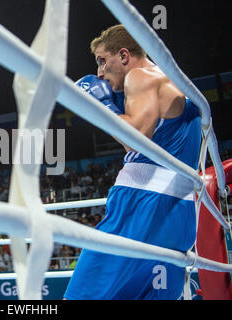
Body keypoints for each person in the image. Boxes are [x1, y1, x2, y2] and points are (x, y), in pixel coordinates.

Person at [64, 25, 201, 300]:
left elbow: (135, 137)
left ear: (124, 55)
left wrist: (102, 105)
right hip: (180, 213)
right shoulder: (173, 81)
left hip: (141, 205)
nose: (100, 72)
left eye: (103, 60)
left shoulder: (140, 76)